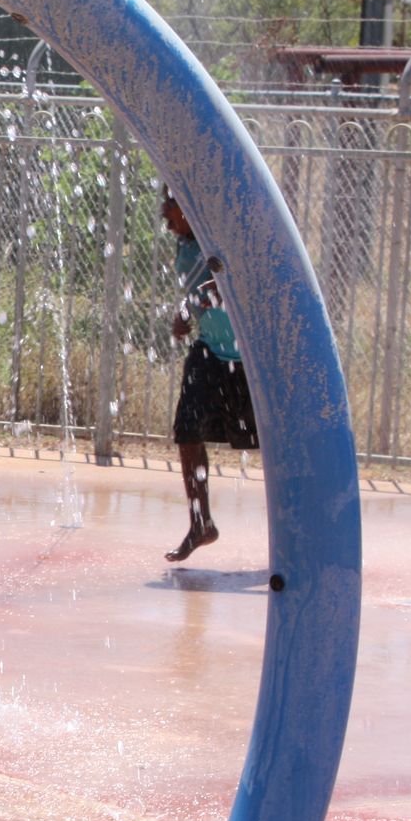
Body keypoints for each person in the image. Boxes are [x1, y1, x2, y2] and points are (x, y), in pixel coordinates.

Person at [161, 189, 258, 563]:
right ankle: (201, 523)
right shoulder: (185, 246)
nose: (164, 215)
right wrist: (187, 313)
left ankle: (303, 527)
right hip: (211, 351)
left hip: (249, 356)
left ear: (189, 205)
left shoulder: (218, 236)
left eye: (169, 206)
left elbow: (232, 280)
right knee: (187, 430)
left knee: (274, 444)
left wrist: (193, 304)